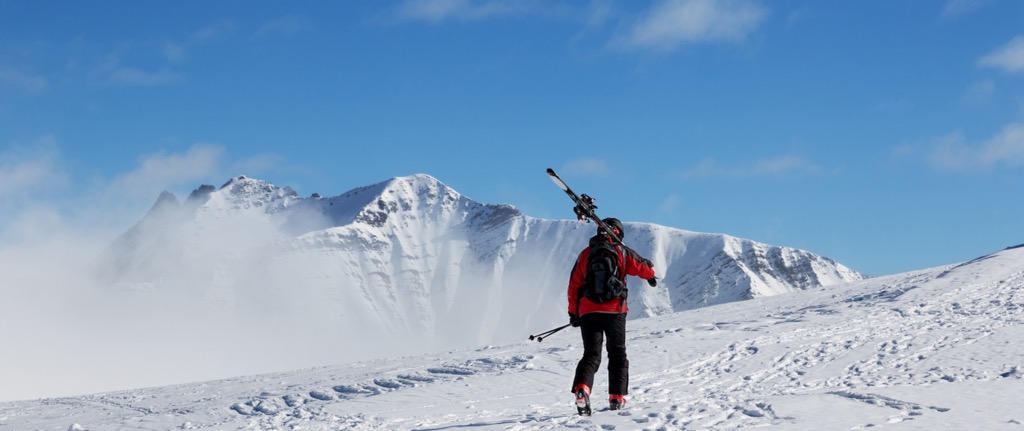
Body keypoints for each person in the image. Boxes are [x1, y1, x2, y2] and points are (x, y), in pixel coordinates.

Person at [567, 217, 656, 413]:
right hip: (615, 311)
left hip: (588, 312)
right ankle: (616, 398)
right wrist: (651, 276)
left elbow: (574, 285)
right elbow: (645, 268)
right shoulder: (621, 252)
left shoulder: (585, 254)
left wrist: (574, 313)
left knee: (591, 355)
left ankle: (582, 389)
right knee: (617, 354)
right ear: (618, 234)